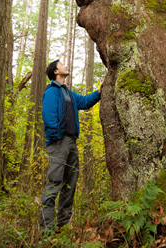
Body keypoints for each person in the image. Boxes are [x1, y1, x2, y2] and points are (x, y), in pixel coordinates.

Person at [39, 59, 101, 232]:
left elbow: (84, 102)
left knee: (70, 184)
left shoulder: (68, 92)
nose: (66, 65)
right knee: (54, 183)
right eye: (62, 64)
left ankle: (63, 226)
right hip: (59, 142)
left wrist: (99, 92)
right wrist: (57, 138)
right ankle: (46, 229)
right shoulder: (51, 91)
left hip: (72, 142)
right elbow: (49, 116)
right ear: (56, 72)